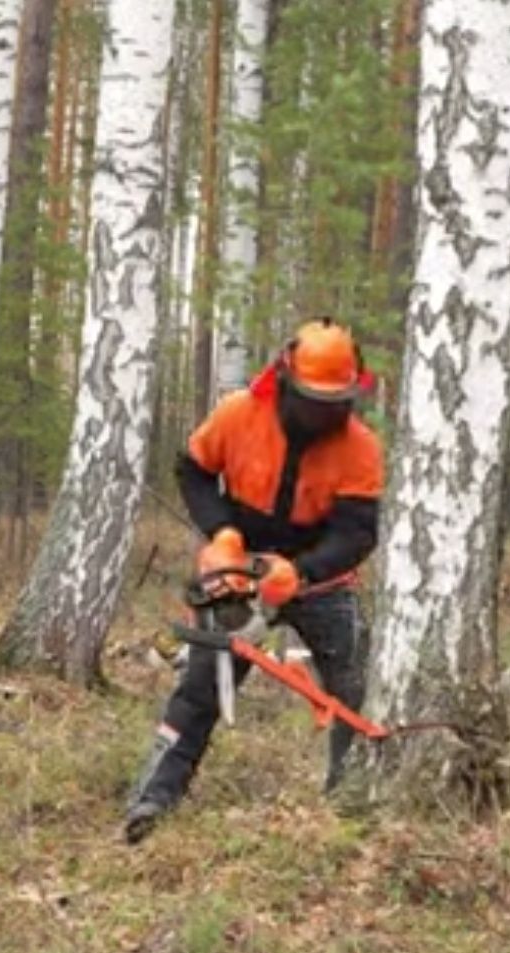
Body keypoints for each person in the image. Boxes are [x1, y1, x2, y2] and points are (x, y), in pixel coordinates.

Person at [124, 317, 385, 844]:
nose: (324, 414)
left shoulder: (360, 446)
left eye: (335, 403)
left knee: (357, 688)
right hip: (240, 569)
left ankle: (351, 808)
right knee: (200, 687)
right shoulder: (238, 414)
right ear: (286, 380)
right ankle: (153, 798)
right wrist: (222, 535)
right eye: (314, 401)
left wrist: (305, 572)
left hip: (321, 576)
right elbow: (192, 470)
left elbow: (359, 531)